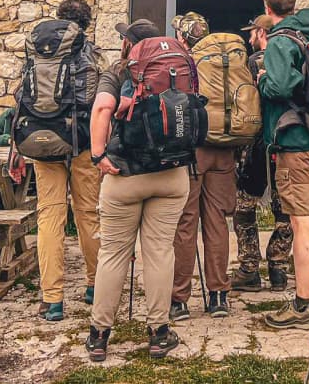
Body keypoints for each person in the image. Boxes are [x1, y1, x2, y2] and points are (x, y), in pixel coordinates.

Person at [85, 19, 192, 362]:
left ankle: (100, 335)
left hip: (124, 174)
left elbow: (102, 108)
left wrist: (98, 154)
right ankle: (159, 333)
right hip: (172, 174)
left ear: (128, 45)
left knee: (113, 253)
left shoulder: (116, 72)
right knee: (160, 251)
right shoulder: (178, 68)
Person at [256, 0, 309, 329]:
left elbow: (281, 86)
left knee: (300, 221)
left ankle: (302, 305)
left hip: (296, 142)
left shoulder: (280, 40)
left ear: (268, 8)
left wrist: (261, 78)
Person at [31, 0, 103, 321]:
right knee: (88, 213)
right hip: (82, 143)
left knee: (49, 214)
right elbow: (97, 97)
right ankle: (95, 284)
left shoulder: (36, 48)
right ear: (86, 23)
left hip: (42, 140)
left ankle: (53, 299)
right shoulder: (86, 49)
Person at [169, 12, 238, 319]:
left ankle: (179, 299)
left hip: (193, 151)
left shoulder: (184, 62)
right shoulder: (225, 60)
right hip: (224, 149)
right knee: (217, 221)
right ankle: (219, 295)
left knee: (186, 223)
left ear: (184, 37)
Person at [232, 15, 291, 292]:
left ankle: (249, 268)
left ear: (261, 32)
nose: (249, 37)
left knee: (245, 206)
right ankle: (278, 268)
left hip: (255, 144)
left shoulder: (253, 61)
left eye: (252, 32)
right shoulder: (292, 58)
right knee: (285, 208)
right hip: (286, 142)